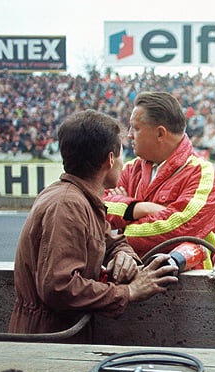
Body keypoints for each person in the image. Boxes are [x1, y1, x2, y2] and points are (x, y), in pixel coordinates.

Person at [10, 110, 178, 342]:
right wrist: (128, 291)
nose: (123, 161)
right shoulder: (67, 205)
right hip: (48, 341)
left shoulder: (80, 199)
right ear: (110, 159)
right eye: (121, 154)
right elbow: (59, 287)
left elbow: (110, 241)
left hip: (59, 336)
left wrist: (124, 254)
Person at [103, 91, 215, 266]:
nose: (129, 135)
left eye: (135, 128)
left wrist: (119, 233)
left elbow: (179, 229)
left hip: (191, 288)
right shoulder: (130, 169)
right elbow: (97, 208)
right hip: (133, 280)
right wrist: (141, 208)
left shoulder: (204, 174)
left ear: (160, 133)